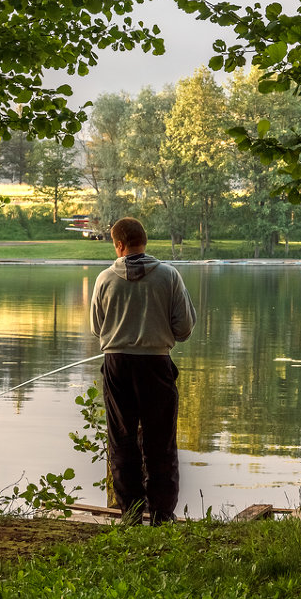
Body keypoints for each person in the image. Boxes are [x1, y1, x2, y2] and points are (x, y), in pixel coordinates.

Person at [89, 217, 196, 525]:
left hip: (117, 364)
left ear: (119, 244)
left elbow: (97, 328)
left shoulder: (105, 279)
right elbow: (185, 328)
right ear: (144, 242)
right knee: (160, 441)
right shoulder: (169, 276)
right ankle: (162, 515)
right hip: (155, 364)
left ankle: (131, 514)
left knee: (122, 439)